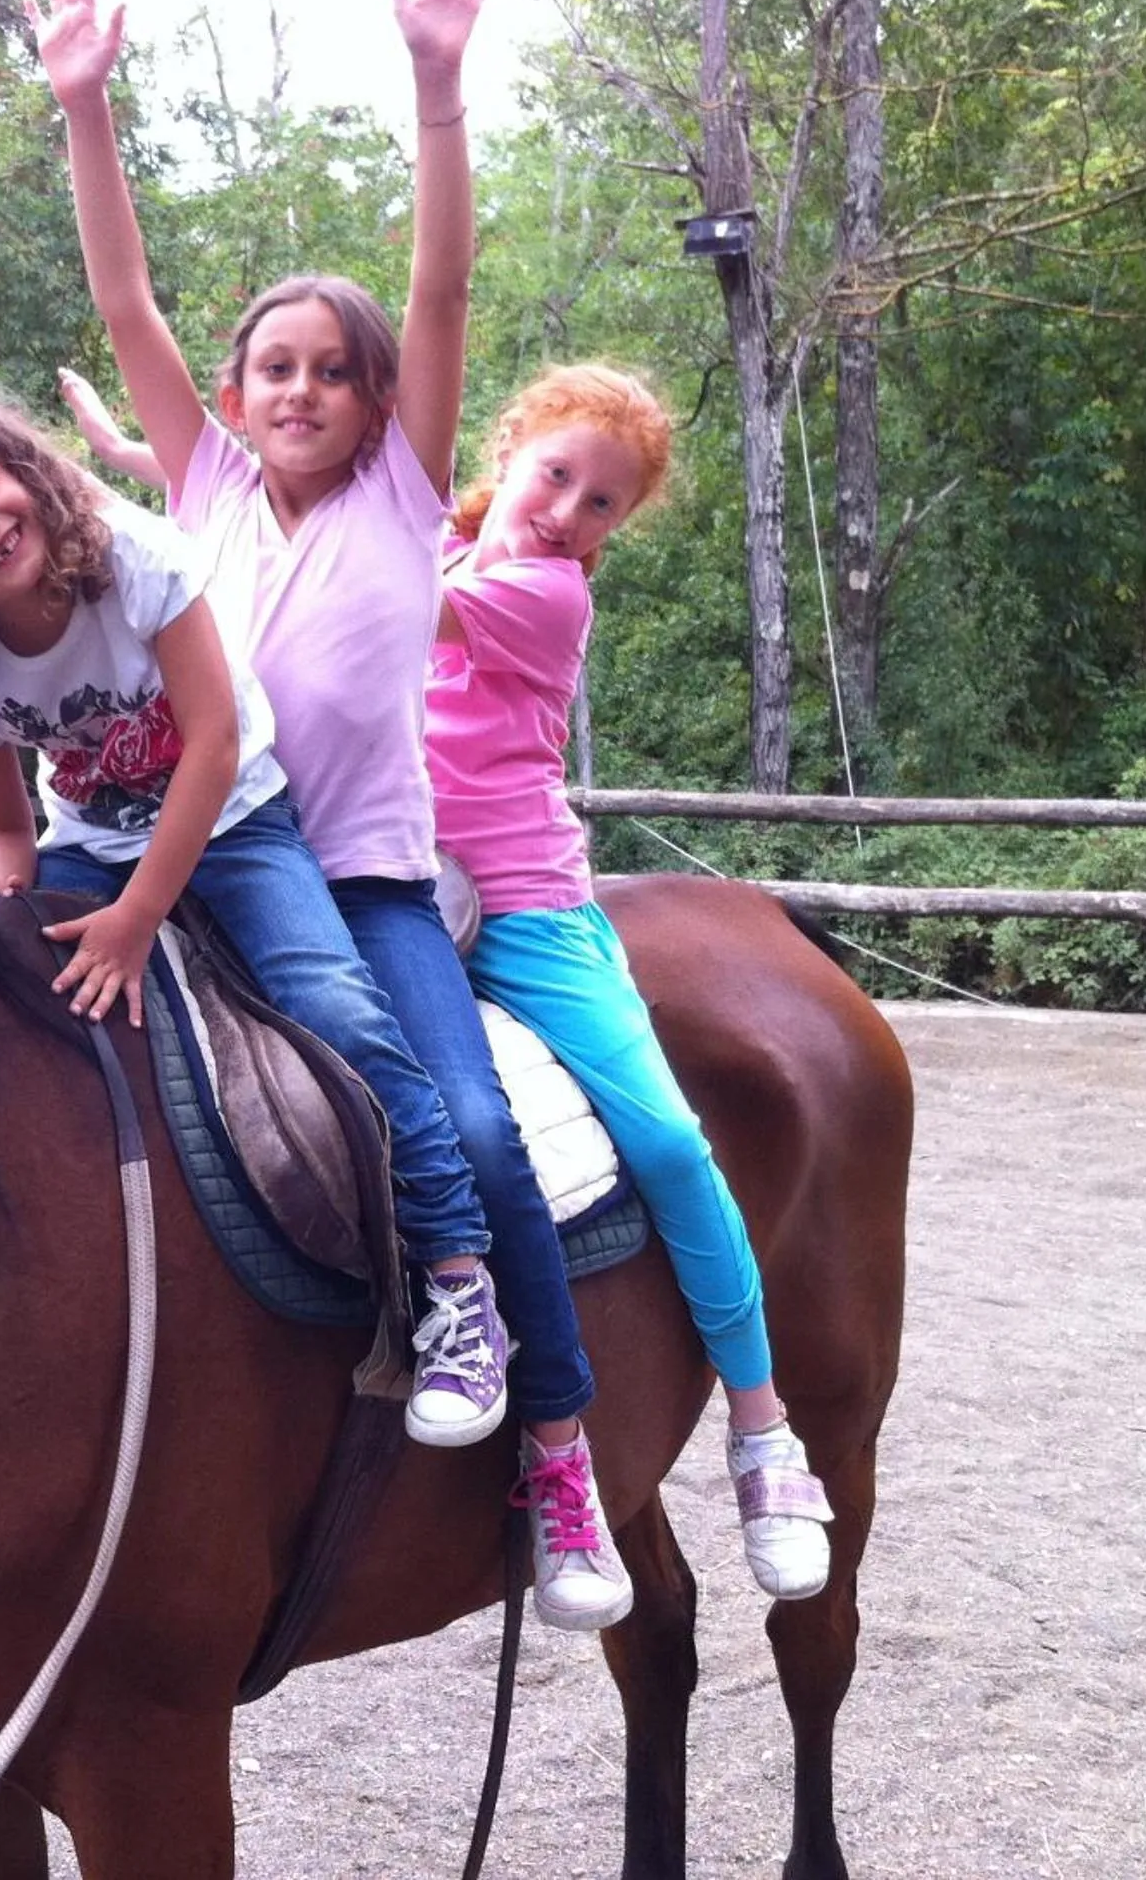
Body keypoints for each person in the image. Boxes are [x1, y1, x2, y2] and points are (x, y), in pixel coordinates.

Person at [34, 0, 637, 1631]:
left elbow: (439, 289)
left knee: (465, 1127)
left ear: (378, 402)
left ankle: (559, 1450)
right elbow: (126, 309)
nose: (297, 388)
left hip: (360, 882)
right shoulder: (204, 490)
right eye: (272, 367)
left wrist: (439, 88)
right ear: (229, 401)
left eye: (330, 369)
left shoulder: (402, 497)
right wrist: (85, 106)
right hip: (178, 848)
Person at [0, 389, 522, 1437]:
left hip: (235, 821)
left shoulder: (132, 557)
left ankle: (458, 1277)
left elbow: (216, 741)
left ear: (18, 464)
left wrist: (139, 917)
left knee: (336, 1005)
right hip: (91, 842)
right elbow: (4, 830)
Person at [429, 363, 833, 1599]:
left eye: (602, 503)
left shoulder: (539, 597)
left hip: (531, 919)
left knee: (666, 1146)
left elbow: (355, 592)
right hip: (398, 900)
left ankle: (764, 1431)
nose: (567, 510)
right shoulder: (443, 551)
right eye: (556, 475)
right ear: (512, 450)